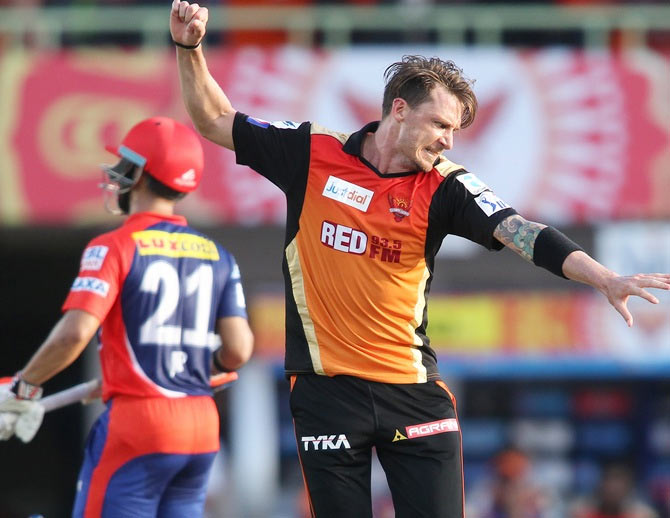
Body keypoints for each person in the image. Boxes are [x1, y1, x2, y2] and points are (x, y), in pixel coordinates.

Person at [170, 2, 670, 516]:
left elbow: (522, 231)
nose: (448, 140)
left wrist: (603, 277)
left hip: (412, 393)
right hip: (325, 393)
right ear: (400, 110)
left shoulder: (447, 186)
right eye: (439, 124)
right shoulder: (312, 153)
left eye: (454, 130)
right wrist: (190, 47)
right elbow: (213, 119)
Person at [0, 116, 254, 517]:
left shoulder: (114, 246)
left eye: (123, 165)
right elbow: (238, 350)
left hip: (140, 422)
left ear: (137, 174)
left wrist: (24, 387)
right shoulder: (218, 253)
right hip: (200, 424)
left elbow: (74, 334)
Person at [569, 463, 658, 518]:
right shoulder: (582, 514)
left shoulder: (643, 515)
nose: (612, 491)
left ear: (628, 490)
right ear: (600, 486)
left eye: (617, 489)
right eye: (609, 486)